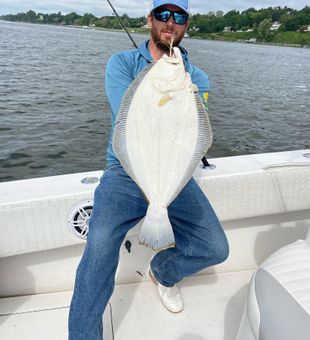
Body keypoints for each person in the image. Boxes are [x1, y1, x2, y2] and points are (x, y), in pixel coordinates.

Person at [68, 1, 229, 339]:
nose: (171, 23)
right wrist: (154, 79)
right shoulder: (122, 63)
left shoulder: (197, 78)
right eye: (164, 15)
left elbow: (194, 135)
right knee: (97, 254)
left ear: (186, 25)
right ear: (150, 19)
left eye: (179, 17)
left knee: (215, 247)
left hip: (172, 174)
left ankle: (163, 270)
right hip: (125, 171)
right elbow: (125, 116)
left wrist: (192, 99)